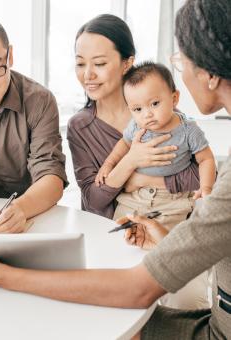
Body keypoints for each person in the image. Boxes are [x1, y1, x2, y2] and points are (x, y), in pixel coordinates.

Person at [0, 0, 231, 337]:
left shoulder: (179, 125)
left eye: (180, 61)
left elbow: (137, 288)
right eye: (81, 63)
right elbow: (96, 198)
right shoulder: (85, 126)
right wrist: (134, 173)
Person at [67, 14, 201, 220]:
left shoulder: (164, 115)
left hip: (169, 229)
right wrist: (129, 161)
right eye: (80, 64)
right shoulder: (80, 126)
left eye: (100, 63)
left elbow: (203, 177)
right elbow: (93, 199)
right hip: (112, 234)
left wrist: (140, 180)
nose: (88, 75)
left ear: (127, 63)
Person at [0, 8, 67, 233]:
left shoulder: (39, 101)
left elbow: (51, 176)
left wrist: (20, 209)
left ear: (10, 56)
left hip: (26, 220)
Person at [96, 62, 216, 228]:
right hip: (134, 197)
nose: (147, 114)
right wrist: (109, 164)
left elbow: (206, 159)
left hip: (172, 199)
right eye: (137, 109)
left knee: (164, 242)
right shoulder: (137, 126)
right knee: (121, 233)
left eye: (154, 104)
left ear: (174, 99)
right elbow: (124, 143)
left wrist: (206, 187)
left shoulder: (188, 130)